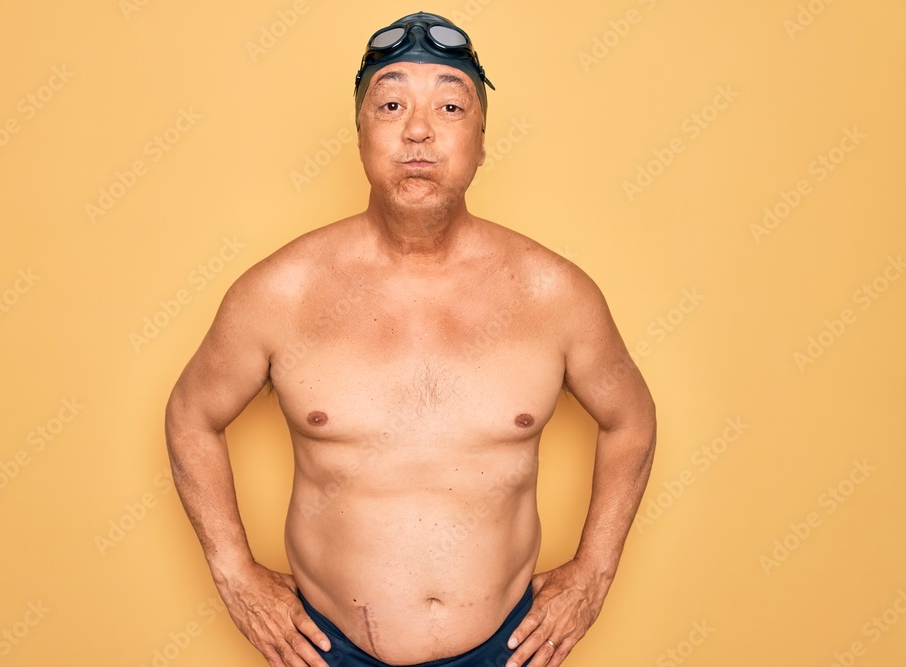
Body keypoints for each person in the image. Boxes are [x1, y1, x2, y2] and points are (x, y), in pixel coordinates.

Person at [165, 11, 656, 667]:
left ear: (482, 140)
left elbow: (632, 420)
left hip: (503, 652)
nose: (418, 129)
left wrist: (594, 571)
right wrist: (233, 570)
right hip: (325, 650)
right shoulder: (280, 292)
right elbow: (191, 416)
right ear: (361, 132)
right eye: (391, 103)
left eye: (450, 106)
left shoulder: (554, 294)